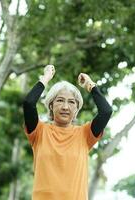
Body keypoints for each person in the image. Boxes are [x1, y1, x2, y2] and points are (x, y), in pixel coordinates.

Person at [23, 65, 112, 200]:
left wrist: (90, 85)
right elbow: (29, 103)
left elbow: (106, 111)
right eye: (60, 100)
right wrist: (45, 78)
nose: (65, 107)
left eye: (71, 102)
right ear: (51, 105)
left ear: (77, 109)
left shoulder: (85, 134)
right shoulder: (38, 131)